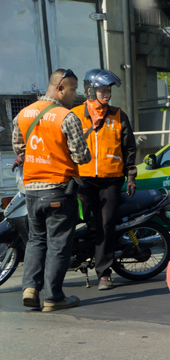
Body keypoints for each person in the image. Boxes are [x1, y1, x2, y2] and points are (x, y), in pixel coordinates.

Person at [13, 69, 91, 311]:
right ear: (60, 87)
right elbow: (82, 156)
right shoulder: (67, 117)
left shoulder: (23, 114)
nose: (75, 95)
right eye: (73, 89)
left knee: (36, 240)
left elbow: (19, 148)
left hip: (31, 191)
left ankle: (30, 289)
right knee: (58, 243)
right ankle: (53, 297)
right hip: (58, 189)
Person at [70, 69, 137, 290]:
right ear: (90, 91)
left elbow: (129, 148)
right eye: (102, 90)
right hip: (83, 179)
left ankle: (104, 273)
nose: (107, 94)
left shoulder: (119, 115)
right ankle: (89, 255)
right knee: (88, 219)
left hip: (111, 179)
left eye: (108, 90)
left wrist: (130, 177)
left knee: (107, 224)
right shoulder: (75, 115)